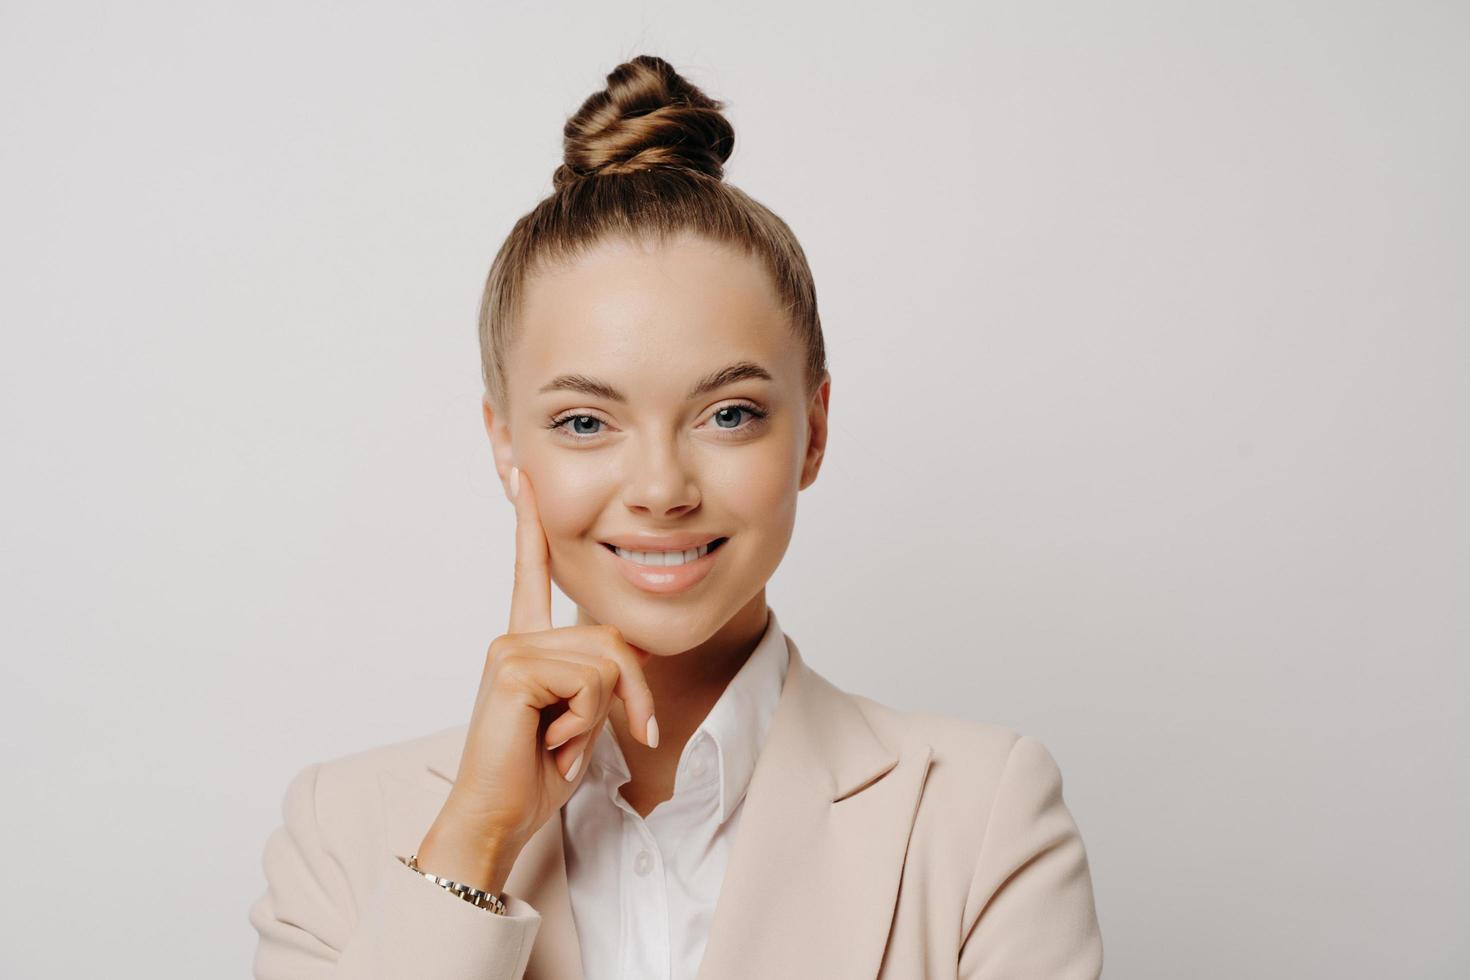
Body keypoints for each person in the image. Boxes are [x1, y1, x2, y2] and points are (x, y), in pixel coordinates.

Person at [249, 54, 1103, 979]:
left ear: (813, 432)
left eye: (728, 413)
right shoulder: (342, 829)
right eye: (585, 421)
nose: (661, 488)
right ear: (507, 447)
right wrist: (477, 841)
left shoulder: (978, 816)